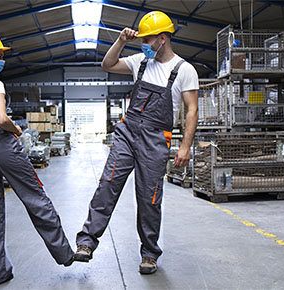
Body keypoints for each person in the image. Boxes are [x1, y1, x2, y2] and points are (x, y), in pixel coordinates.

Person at [74, 11, 199, 274]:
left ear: (162, 39)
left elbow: (192, 110)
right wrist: (120, 41)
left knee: (149, 198)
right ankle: (86, 242)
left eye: (148, 39)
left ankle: (149, 254)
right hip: (128, 133)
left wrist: (185, 146)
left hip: (156, 140)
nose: (143, 44)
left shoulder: (184, 70)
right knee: (107, 185)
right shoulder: (140, 61)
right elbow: (107, 65)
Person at [0, 32, 74, 285]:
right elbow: (1, 119)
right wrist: (16, 130)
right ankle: (64, 253)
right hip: (2, 146)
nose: (1, 60)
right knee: (34, 197)